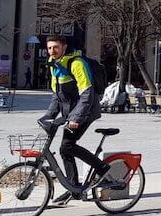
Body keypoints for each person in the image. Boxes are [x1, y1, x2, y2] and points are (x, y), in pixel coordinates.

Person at [37, 36, 121, 206]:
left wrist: (76, 118)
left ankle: (102, 168)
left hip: (85, 111)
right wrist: (48, 117)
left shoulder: (76, 64)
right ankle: (74, 188)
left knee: (67, 146)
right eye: (50, 48)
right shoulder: (54, 65)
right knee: (65, 149)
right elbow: (57, 97)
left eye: (56, 47)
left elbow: (87, 94)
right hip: (71, 114)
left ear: (64, 47)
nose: (52, 51)